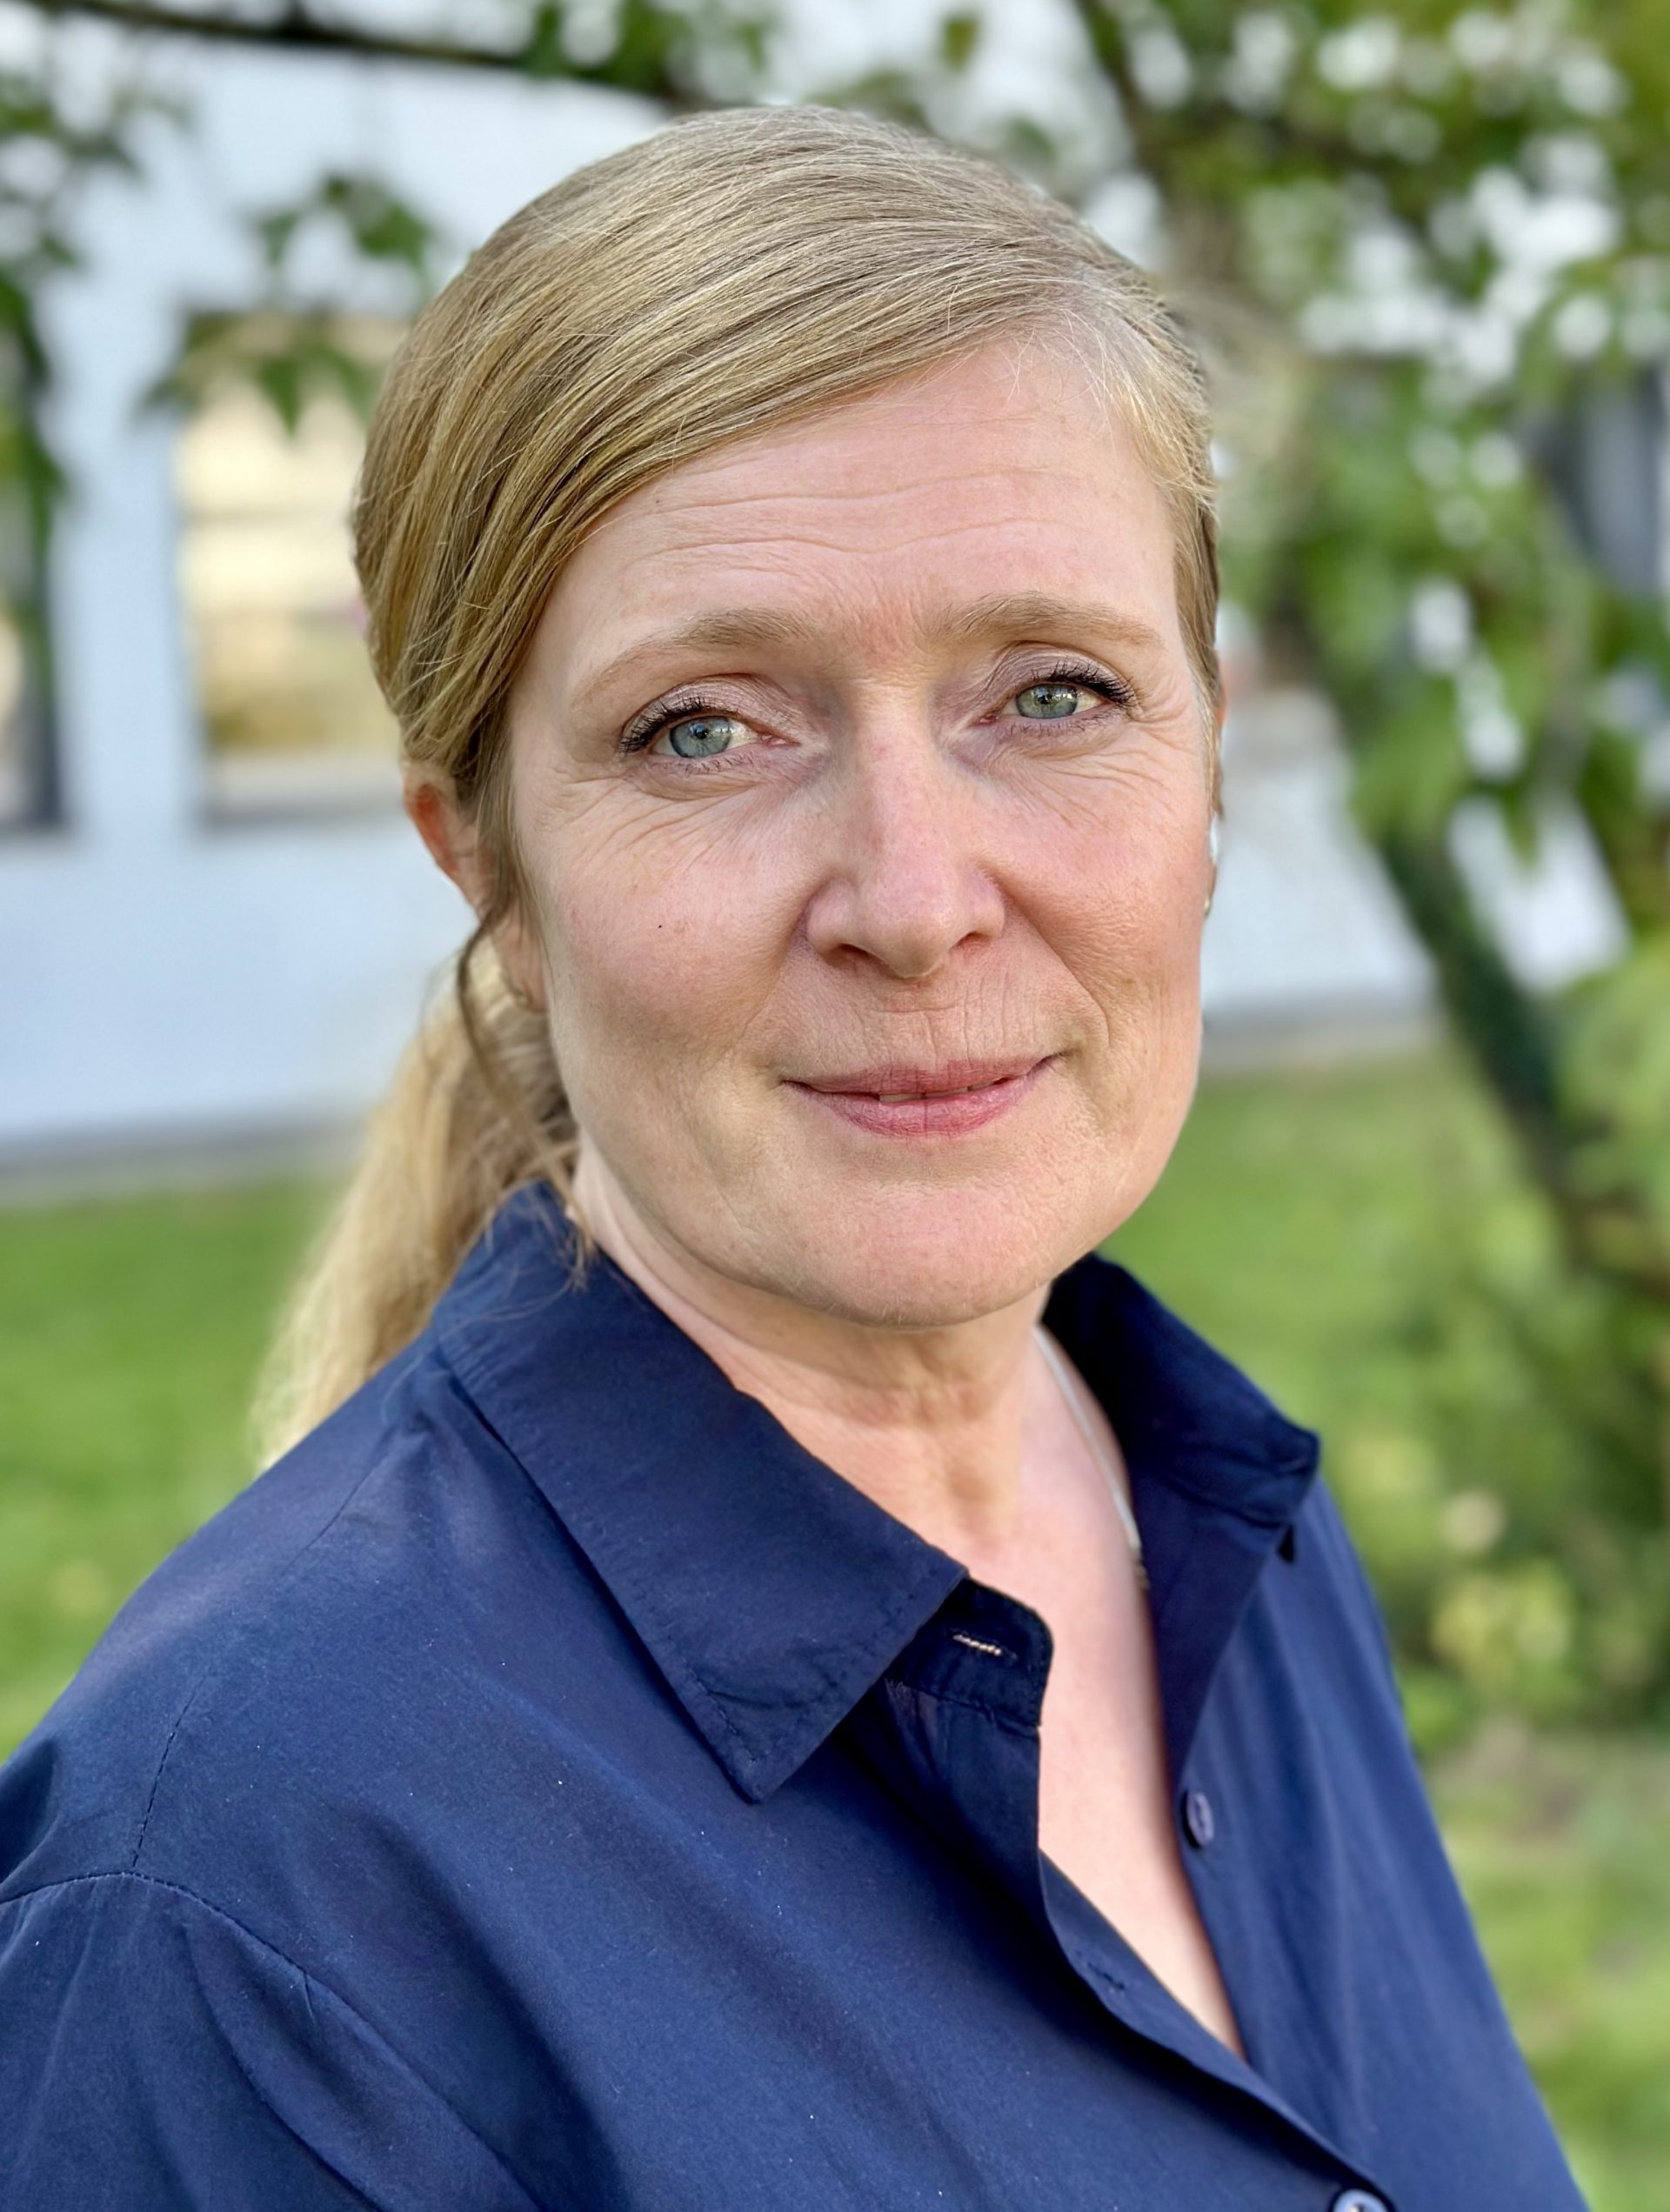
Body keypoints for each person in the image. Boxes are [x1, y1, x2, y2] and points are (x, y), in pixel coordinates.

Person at [0, 106, 1584, 2211]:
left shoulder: (1226, 1529)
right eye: (706, 729)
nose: (916, 901)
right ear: (489, 864)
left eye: (1052, 693)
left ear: (1206, 752)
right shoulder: (243, 1901)